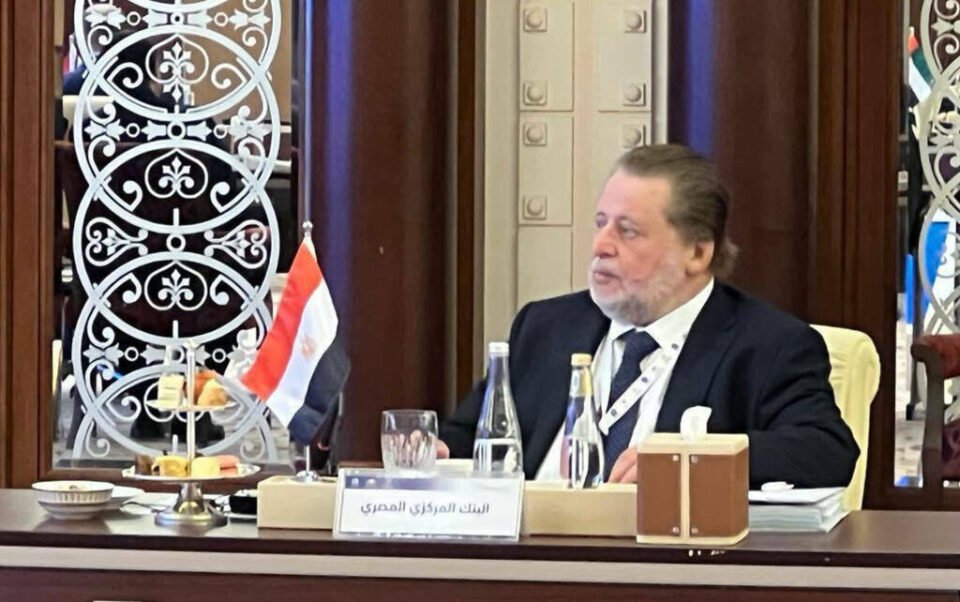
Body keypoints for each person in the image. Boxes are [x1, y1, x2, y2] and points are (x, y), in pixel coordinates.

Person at [438, 144, 859, 488]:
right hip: (531, 554)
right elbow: (472, 437)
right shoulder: (545, 327)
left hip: (666, 560)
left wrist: (689, 457)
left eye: (628, 231)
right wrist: (433, 448)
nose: (600, 246)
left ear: (697, 253)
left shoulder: (768, 345)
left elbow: (826, 451)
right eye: (601, 224)